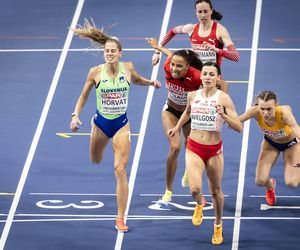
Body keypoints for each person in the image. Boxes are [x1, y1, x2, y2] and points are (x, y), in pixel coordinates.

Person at [70, 19, 161, 233]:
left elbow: (136, 80)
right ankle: (97, 142)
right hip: (100, 124)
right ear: (104, 53)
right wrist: (75, 115)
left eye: (113, 51)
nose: (109, 54)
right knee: (95, 159)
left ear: (120, 53)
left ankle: (120, 218)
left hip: (121, 124)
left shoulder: (127, 68)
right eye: (107, 51)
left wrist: (150, 83)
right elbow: (83, 96)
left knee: (120, 170)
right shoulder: (95, 72)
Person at [168, 61, 242, 245]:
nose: (208, 77)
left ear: (217, 78)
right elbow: (187, 113)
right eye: (205, 74)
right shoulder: (192, 96)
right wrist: (177, 127)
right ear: (200, 76)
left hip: (214, 151)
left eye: (212, 74)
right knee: (194, 189)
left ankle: (218, 225)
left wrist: (224, 116)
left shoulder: (223, 98)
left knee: (216, 192)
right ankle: (200, 204)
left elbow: (239, 127)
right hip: (194, 148)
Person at [147, 38, 227, 205]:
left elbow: (222, 84)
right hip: (170, 111)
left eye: (179, 66)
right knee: (175, 147)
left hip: (191, 114)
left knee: (190, 147)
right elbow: (170, 55)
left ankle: (188, 172)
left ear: (187, 67)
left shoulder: (196, 76)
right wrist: (157, 47)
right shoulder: (168, 65)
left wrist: (222, 108)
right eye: (173, 65)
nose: (174, 69)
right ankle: (168, 190)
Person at [239, 91, 300, 206]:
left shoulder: (284, 113)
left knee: (292, 183)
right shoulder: (254, 112)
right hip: (271, 144)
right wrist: (222, 117)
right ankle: (270, 186)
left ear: (276, 105)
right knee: (260, 181)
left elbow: (297, 130)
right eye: (262, 108)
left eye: (269, 109)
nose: (265, 113)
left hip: (291, 144)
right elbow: (237, 121)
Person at [152, 0, 240, 69]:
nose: (203, 15)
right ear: (196, 12)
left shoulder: (220, 30)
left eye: (205, 11)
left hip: (212, 78)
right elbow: (172, 31)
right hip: (195, 76)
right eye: (200, 12)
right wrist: (157, 52)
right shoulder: (191, 28)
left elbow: (236, 56)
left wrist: (216, 50)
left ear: (211, 11)